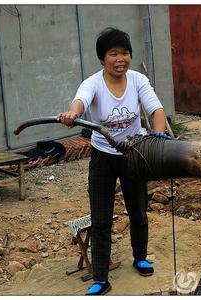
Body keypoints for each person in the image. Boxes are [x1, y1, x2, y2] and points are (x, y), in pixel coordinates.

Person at [57, 27, 168, 295]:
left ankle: (140, 256)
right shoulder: (93, 83)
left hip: (134, 154)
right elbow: (80, 102)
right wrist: (72, 113)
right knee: (101, 217)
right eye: (113, 54)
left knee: (138, 209)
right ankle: (101, 277)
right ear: (102, 58)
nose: (120, 59)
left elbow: (156, 109)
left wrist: (159, 136)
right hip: (102, 156)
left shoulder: (138, 80)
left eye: (125, 53)